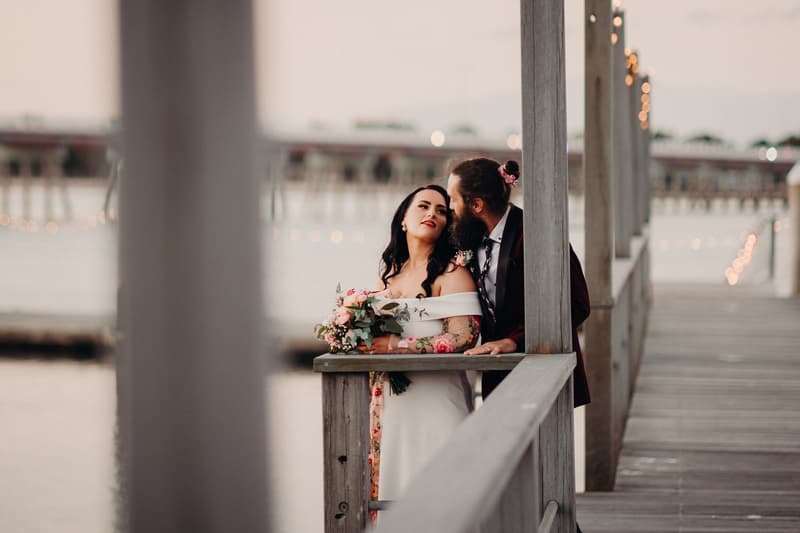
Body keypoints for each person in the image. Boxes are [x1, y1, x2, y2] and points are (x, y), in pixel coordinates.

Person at [356, 184, 482, 517]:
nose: (432, 214)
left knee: (443, 501)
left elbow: (464, 336)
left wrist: (397, 346)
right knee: (395, 499)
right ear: (403, 219)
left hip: (438, 405)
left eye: (442, 211)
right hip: (392, 410)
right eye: (424, 206)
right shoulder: (387, 280)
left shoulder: (453, 275)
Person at [446, 157, 591, 406]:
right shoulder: (469, 239)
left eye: (453, 199)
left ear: (477, 205)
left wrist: (514, 340)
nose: (449, 207)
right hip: (497, 377)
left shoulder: (538, 234)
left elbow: (577, 304)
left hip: (544, 370)